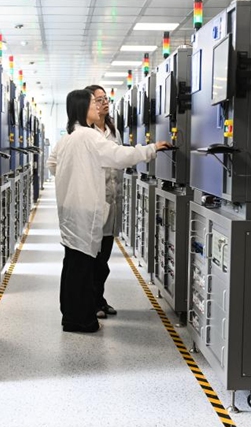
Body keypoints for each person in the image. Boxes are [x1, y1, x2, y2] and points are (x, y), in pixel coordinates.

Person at [47, 89, 170, 333]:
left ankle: (71, 316)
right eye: (94, 102)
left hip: (71, 211)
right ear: (82, 108)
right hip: (84, 211)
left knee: (73, 266)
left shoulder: (68, 138)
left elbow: (55, 166)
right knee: (81, 269)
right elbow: (119, 155)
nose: (99, 106)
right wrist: (152, 148)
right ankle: (81, 321)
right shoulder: (88, 137)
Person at [84, 84, 122, 320]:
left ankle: (99, 297)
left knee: (104, 257)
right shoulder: (86, 133)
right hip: (95, 204)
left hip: (113, 201)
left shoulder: (112, 130)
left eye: (106, 98)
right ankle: (92, 300)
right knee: (95, 259)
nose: (104, 102)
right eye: (99, 100)